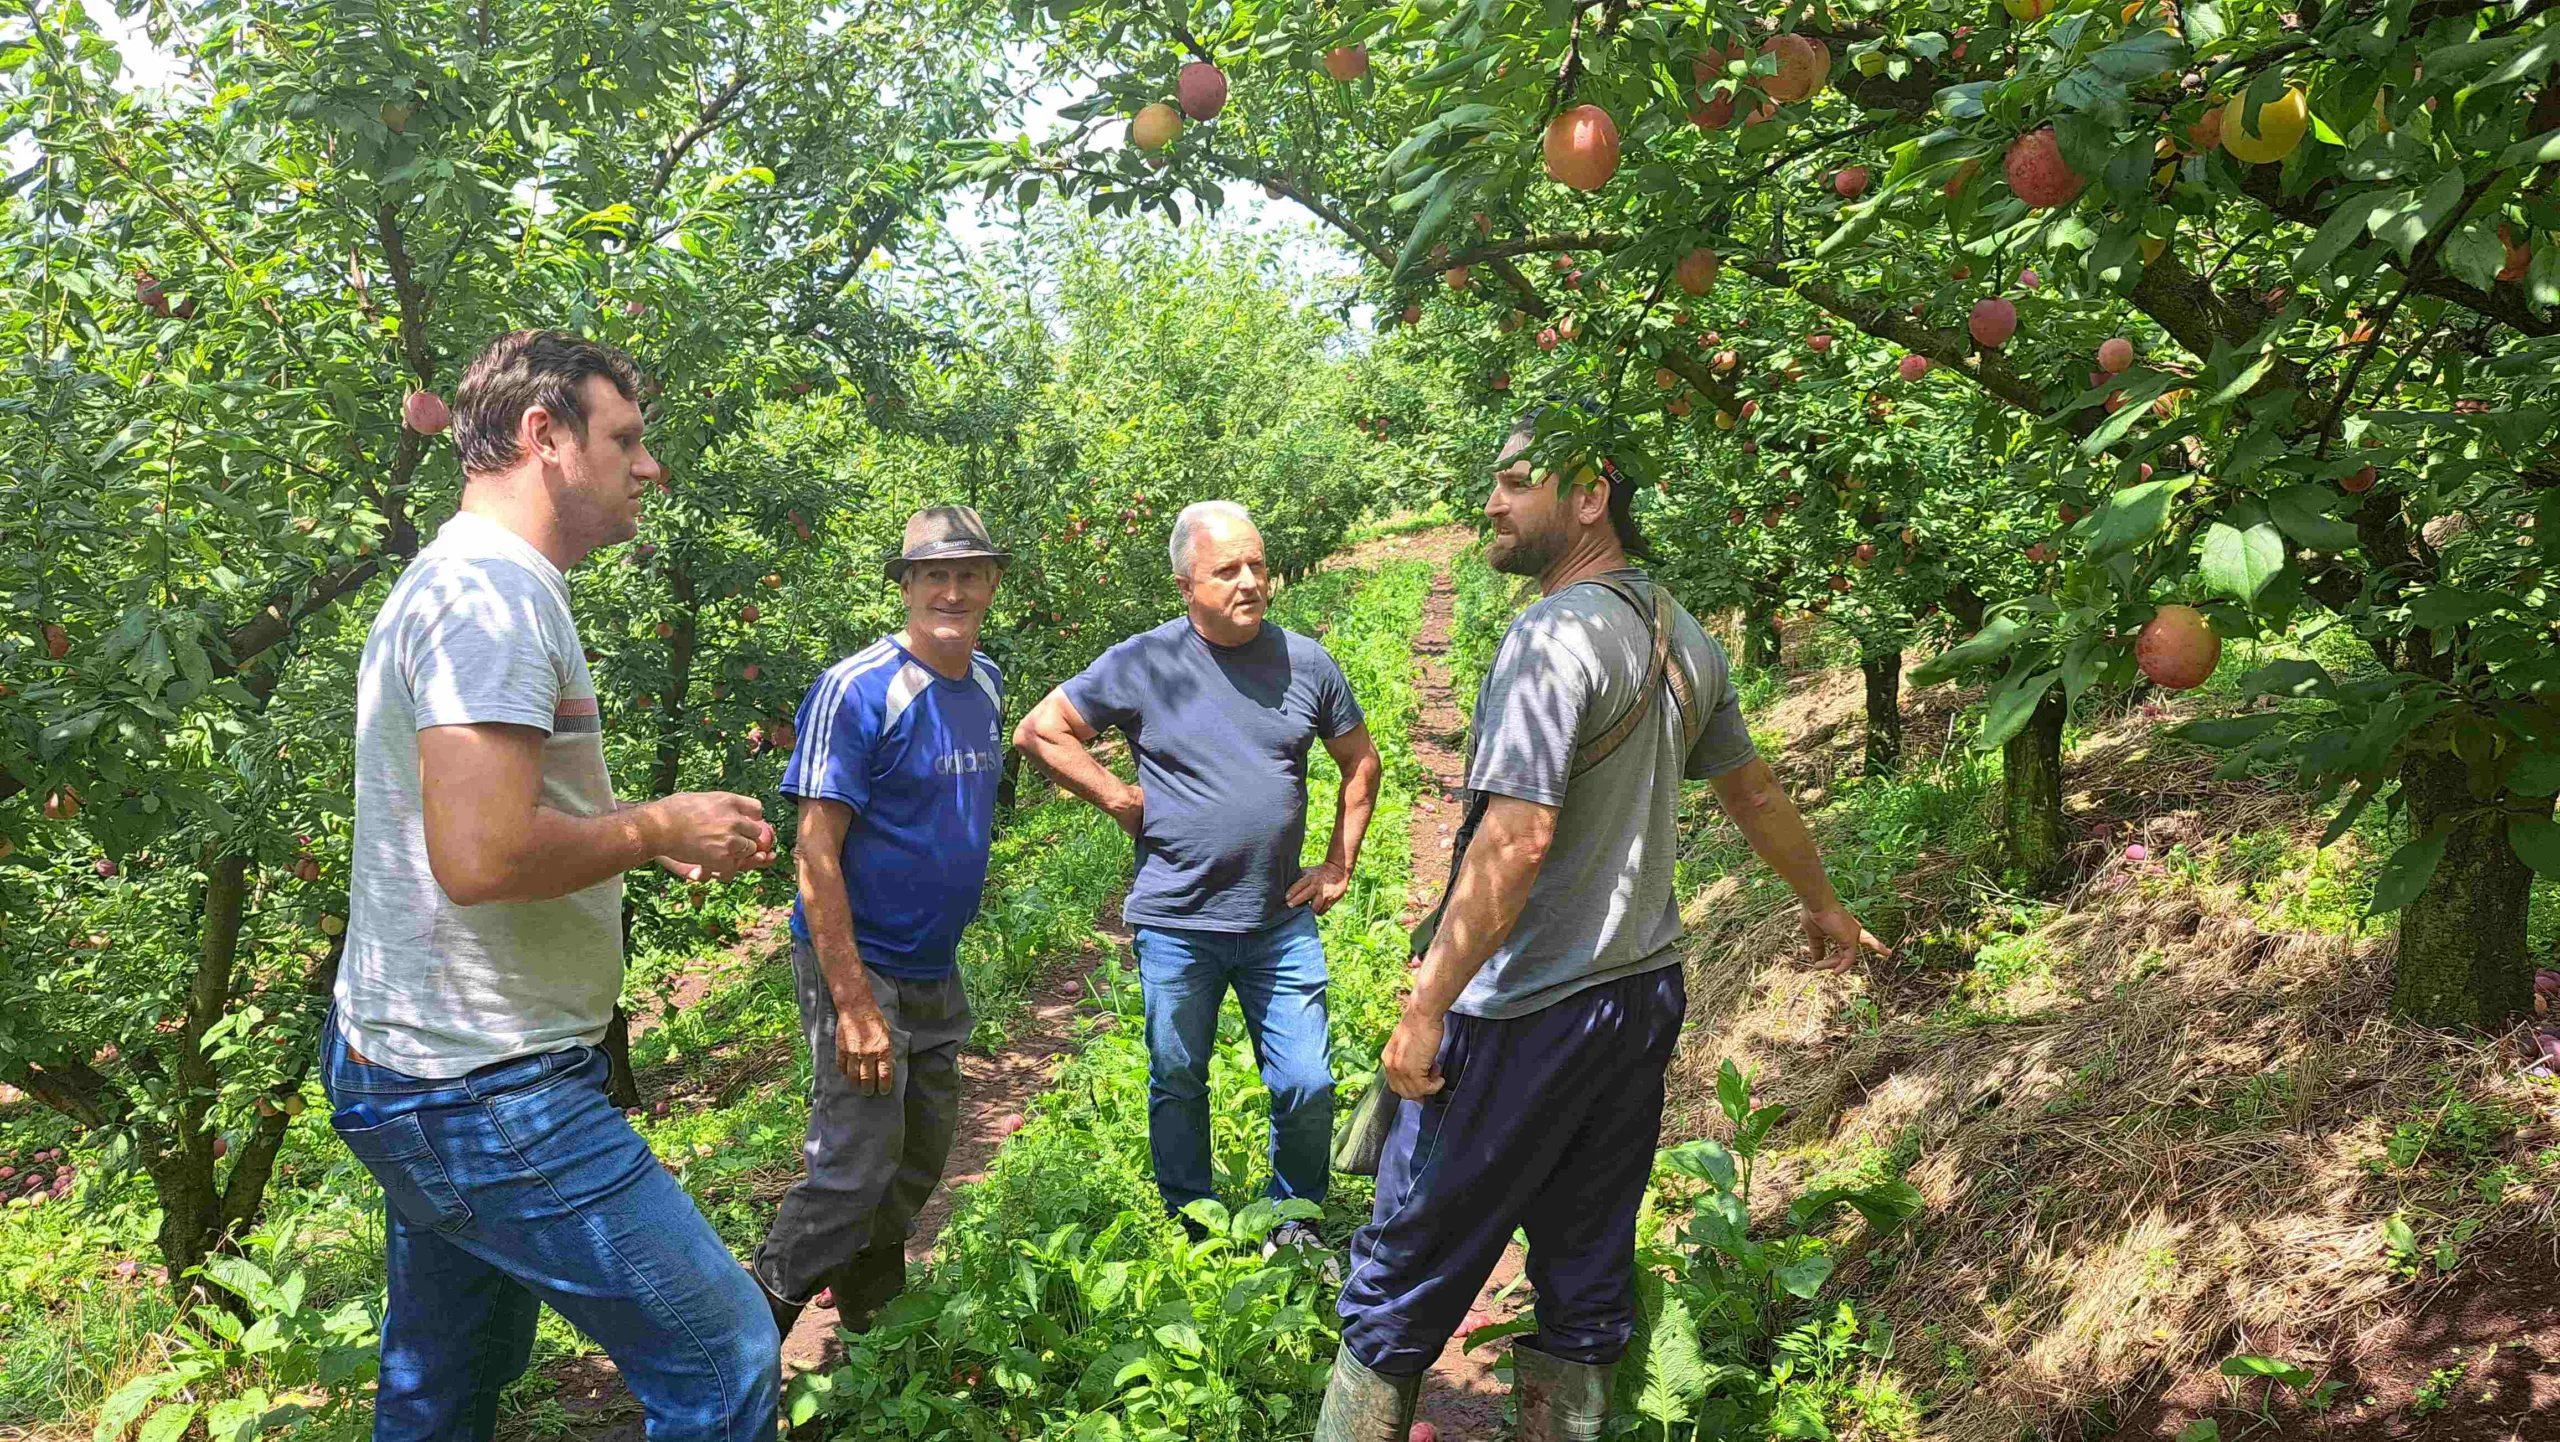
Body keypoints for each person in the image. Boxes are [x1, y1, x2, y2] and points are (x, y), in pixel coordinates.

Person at [1317, 412, 1890, 1442]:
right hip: (1637, 993)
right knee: (1584, 1264)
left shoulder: (1551, 638)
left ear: (1590, 497)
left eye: (1514, 482)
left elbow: (1517, 839)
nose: (1490, 502)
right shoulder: (1680, 632)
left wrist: (1426, 1003)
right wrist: (1821, 900)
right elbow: (1752, 790)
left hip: (1524, 1005)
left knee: (1403, 1266)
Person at [329, 330, 782, 1442]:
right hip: (481, 1083)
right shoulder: (490, 595)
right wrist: (651, 824)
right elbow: (479, 857)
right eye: (626, 438)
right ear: (546, 436)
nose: (649, 466)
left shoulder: (472, 579)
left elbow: (488, 827)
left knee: (447, 1380)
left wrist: (627, 836)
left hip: (430, 1058)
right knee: (722, 1350)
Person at [1014, 501, 1382, 1249]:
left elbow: (1360, 762)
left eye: (1258, 565)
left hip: (1278, 919)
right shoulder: (1145, 661)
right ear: (1186, 584)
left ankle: (1294, 1218)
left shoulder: (1306, 662)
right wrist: (1118, 796)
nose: (1250, 582)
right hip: (1179, 921)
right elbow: (1039, 730)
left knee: (1307, 1083)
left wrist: (1339, 862)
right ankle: (1193, 1220)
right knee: (1178, 1078)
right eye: (1228, 570)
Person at [750, 506, 1009, 1340]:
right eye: (935, 573)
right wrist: (856, 1006)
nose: (954, 589)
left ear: (993, 584)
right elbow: (814, 855)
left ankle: (871, 1313)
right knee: (854, 1163)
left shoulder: (989, 683)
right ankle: (745, 1337)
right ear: (905, 586)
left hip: (935, 964)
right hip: (861, 966)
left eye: (970, 572)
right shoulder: (857, 688)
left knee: (922, 1150)